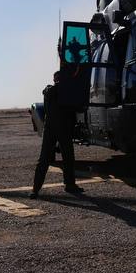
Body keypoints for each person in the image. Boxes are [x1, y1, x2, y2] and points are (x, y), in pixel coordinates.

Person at [30, 70, 84, 198]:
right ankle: (70, 185)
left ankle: (35, 189)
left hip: (50, 129)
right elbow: (78, 108)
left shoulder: (49, 91)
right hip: (63, 129)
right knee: (68, 158)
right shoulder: (66, 92)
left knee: (44, 159)